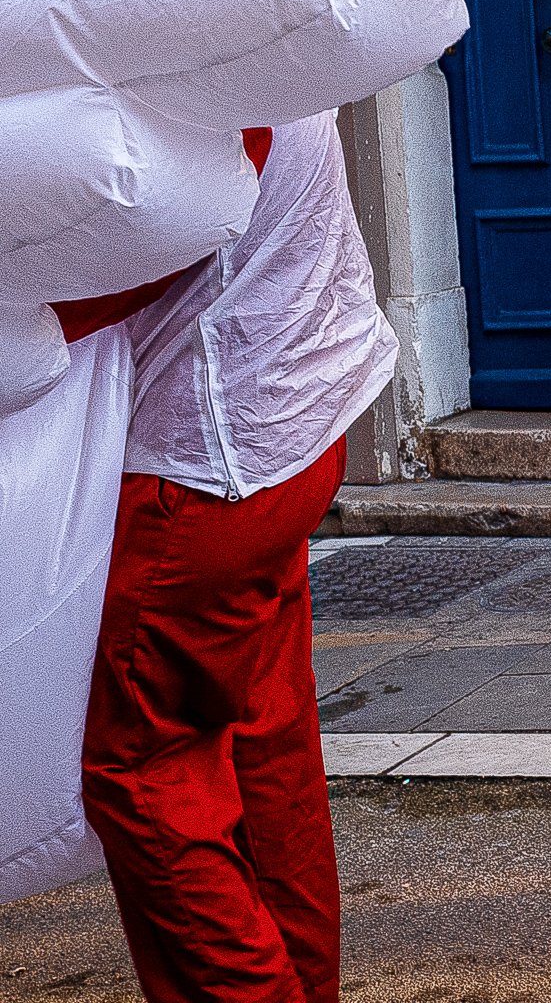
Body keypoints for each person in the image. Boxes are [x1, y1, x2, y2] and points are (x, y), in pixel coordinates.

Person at [69, 111, 396, 1003]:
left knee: (145, 773)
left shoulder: (205, 54)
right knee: (264, 751)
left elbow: (122, 243)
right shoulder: (247, 4)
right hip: (291, 423)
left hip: (203, 464)